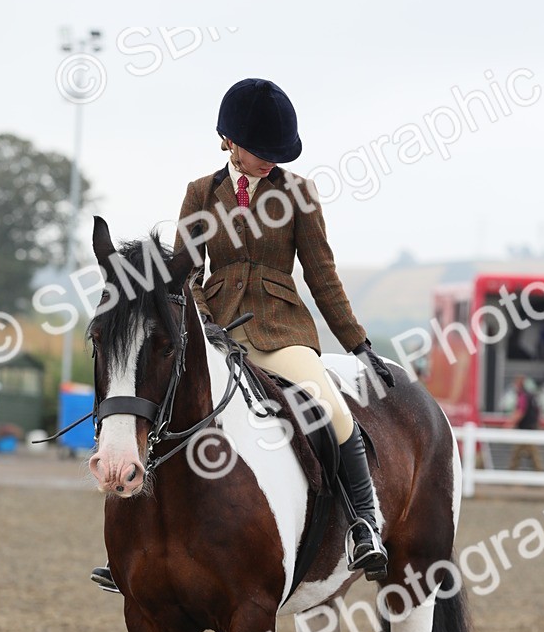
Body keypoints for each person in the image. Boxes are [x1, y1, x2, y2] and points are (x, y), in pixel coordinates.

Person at [91, 78, 393, 591]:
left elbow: (322, 275)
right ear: (228, 140)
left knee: (329, 405)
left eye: (278, 153)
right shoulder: (200, 194)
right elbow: (184, 273)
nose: (270, 161)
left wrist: (358, 342)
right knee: (165, 407)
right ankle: (138, 551)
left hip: (281, 329)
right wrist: (205, 318)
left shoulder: (298, 194)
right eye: (261, 152)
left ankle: (364, 523)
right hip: (214, 326)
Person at [507, 374, 544, 472]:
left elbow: (520, 412)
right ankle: (538, 475)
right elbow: (538, 413)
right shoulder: (532, 396)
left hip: (525, 429)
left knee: (523, 454)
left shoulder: (523, 396)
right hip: (531, 428)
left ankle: (511, 475)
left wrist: (510, 424)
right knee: (528, 454)